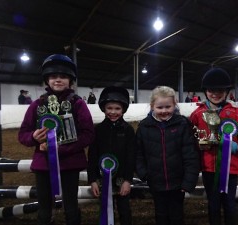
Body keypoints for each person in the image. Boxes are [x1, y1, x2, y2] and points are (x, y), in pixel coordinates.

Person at [18, 54, 95, 225]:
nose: (58, 80)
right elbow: (22, 134)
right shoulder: (36, 105)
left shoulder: (78, 104)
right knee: (44, 209)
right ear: (47, 80)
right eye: (53, 76)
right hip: (43, 164)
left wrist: (61, 149)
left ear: (71, 80)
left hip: (70, 163)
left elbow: (88, 133)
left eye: (63, 76)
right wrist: (33, 136)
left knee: (71, 207)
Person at [189, 68, 238, 225]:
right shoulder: (197, 114)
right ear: (206, 91)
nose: (215, 94)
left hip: (230, 169)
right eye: (212, 90)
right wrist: (198, 145)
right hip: (208, 168)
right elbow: (189, 137)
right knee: (213, 204)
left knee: (229, 203)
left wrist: (236, 146)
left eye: (220, 90)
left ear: (226, 92)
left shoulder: (237, 114)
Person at [135, 86, 200, 225]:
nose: (164, 111)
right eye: (160, 107)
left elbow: (191, 154)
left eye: (168, 107)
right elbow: (138, 154)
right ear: (152, 106)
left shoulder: (183, 124)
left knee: (177, 216)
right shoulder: (144, 127)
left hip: (178, 183)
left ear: (174, 104)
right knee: (161, 215)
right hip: (155, 182)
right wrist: (144, 174)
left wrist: (188, 181)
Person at [88, 86, 135, 225]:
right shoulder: (98, 130)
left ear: (123, 110)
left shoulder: (128, 131)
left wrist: (128, 180)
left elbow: (131, 156)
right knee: (105, 210)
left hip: (122, 181)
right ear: (104, 108)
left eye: (117, 109)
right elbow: (92, 156)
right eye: (109, 108)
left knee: (124, 211)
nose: (113, 112)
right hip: (102, 180)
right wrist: (93, 179)